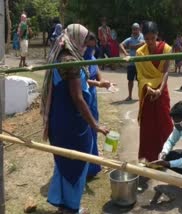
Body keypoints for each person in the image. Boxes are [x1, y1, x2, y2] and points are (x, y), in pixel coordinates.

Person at [41, 24, 108, 214]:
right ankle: (71, 208)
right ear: (77, 39)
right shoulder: (70, 60)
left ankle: (63, 205)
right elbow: (78, 98)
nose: (86, 46)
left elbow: (78, 84)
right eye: (85, 42)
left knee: (64, 161)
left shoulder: (60, 55)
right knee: (76, 161)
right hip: (72, 123)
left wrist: (98, 83)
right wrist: (95, 125)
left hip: (60, 120)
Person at [135, 21, 173, 162]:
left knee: (165, 124)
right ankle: (149, 158)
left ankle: (165, 155)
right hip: (147, 92)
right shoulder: (140, 53)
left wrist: (159, 90)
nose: (150, 42)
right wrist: (148, 88)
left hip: (161, 91)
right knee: (148, 127)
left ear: (157, 35)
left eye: (152, 38)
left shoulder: (166, 49)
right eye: (147, 39)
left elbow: (166, 71)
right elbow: (140, 75)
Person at [83, 32, 113, 177]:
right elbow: (82, 80)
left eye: (93, 46)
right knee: (86, 130)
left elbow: (96, 70)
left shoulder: (92, 57)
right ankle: (85, 168)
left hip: (93, 99)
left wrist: (104, 82)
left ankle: (93, 166)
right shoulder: (78, 60)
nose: (91, 49)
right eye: (88, 46)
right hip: (83, 98)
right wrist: (99, 84)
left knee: (94, 129)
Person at [119, 23, 145, 101]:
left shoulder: (142, 36)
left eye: (136, 29)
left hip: (139, 63)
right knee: (130, 80)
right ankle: (130, 96)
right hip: (131, 63)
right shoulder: (130, 38)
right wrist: (125, 52)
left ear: (139, 29)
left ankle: (141, 95)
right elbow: (120, 45)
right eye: (133, 29)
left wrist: (132, 47)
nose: (135, 31)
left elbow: (142, 44)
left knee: (140, 80)